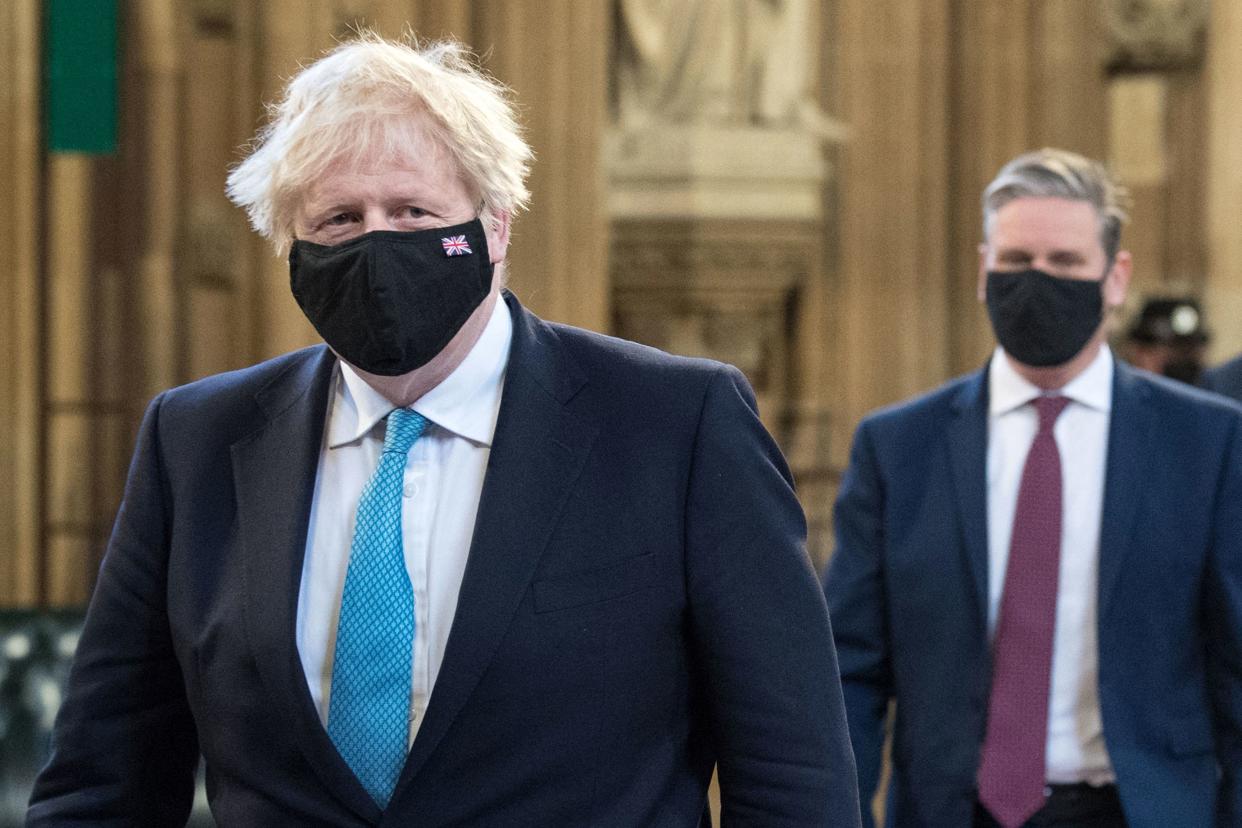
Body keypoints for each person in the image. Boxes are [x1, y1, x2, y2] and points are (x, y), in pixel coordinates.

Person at [27, 34, 860, 826]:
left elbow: (792, 776)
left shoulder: (676, 428)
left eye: (414, 210)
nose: (377, 241)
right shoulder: (197, 443)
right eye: (339, 221)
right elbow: (105, 781)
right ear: (290, 247)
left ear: (494, 227)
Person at [823, 148, 1242, 828]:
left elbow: (1235, 670)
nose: (1038, 281)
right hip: (954, 812)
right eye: (1016, 261)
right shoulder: (899, 448)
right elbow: (850, 669)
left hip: (1141, 808)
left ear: (1115, 276)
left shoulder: (1208, 444)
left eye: (1066, 263)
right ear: (983, 270)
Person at [1122, 296, 1210, 385]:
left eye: (1185, 350)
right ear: (1138, 351)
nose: (1175, 360)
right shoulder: (1120, 392)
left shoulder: (1208, 391)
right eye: (1167, 350)